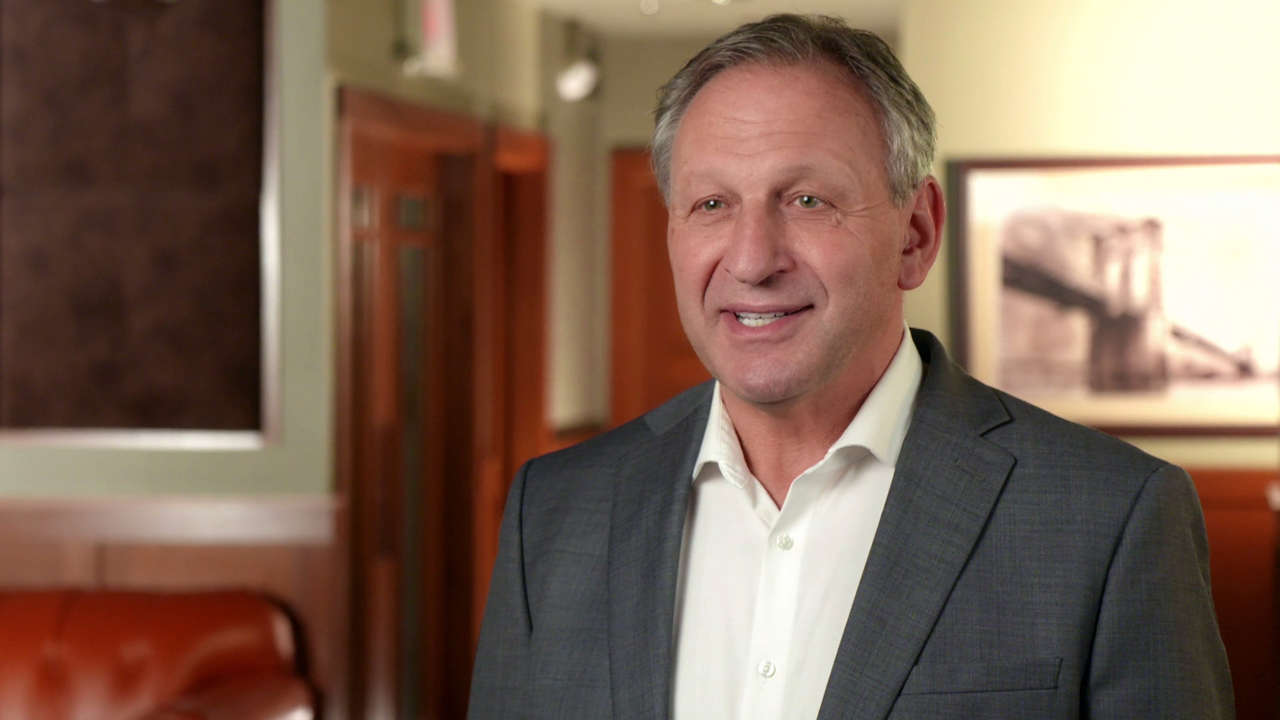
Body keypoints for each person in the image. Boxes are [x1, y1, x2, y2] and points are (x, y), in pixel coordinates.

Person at [469, 14, 1233, 719]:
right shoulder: (556, 512)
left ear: (916, 234)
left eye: (807, 200)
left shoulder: (1110, 517)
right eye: (712, 205)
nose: (752, 259)